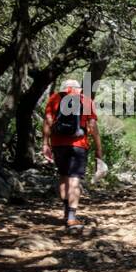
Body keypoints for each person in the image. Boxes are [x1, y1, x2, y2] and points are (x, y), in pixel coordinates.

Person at [42, 78, 102, 228]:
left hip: (58, 144)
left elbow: (48, 121)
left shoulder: (55, 98)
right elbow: (92, 126)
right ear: (79, 89)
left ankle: (66, 212)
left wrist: (45, 144)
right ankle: (71, 217)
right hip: (79, 145)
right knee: (74, 179)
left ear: (64, 88)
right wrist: (98, 148)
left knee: (63, 177)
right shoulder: (86, 100)